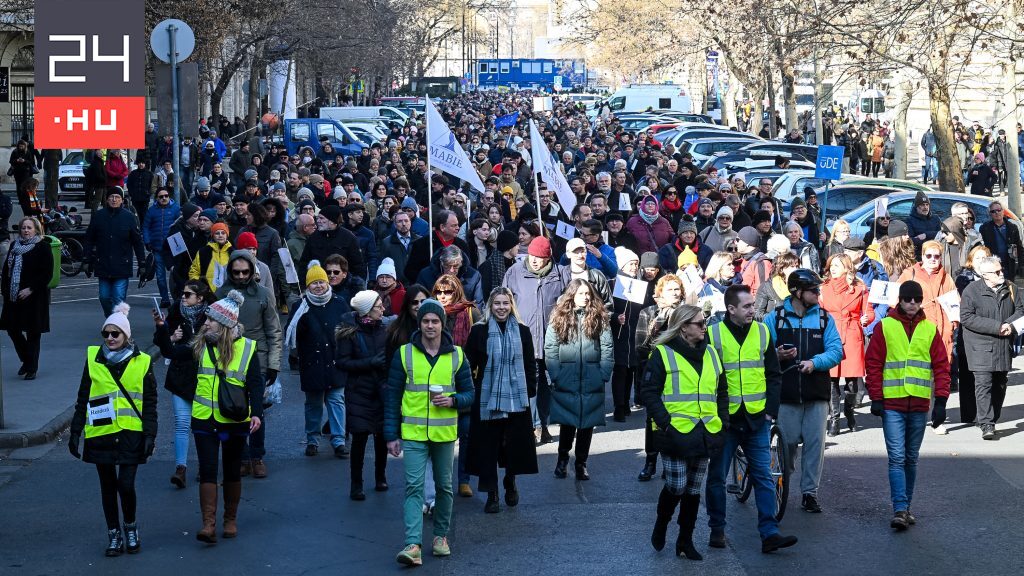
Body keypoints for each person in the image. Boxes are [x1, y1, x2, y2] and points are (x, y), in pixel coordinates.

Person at [705, 285, 798, 553]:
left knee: (764, 476)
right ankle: (717, 529)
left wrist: (771, 411)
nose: (752, 310)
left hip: (757, 418)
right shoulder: (713, 335)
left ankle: (769, 533)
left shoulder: (762, 331)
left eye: (752, 305)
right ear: (731, 309)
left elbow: (773, 374)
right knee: (717, 477)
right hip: (726, 421)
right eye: (746, 306)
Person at [384, 299, 474, 567]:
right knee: (413, 487)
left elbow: (470, 394)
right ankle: (413, 544)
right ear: (419, 323)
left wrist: (453, 400)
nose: (430, 325)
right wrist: (391, 434)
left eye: (435, 321)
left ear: (442, 324)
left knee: (445, 487)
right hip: (412, 432)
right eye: (425, 321)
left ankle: (440, 537)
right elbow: (392, 396)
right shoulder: (404, 354)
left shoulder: (457, 355)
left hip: (444, 434)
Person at [68, 303, 158, 556]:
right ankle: (114, 534)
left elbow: (150, 402)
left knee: (126, 485)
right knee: (107, 486)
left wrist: (150, 434)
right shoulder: (93, 359)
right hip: (101, 433)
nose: (109, 338)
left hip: (131, 434)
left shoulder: (143, 362)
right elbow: (83, 396)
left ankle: (130, 526)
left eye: (115, 333)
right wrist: (76, 433)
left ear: (126, 336)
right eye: (106, 334)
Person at [639, 304, 727, 561]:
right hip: (675, 432)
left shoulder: (711, 353)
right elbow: (649, 393)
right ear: (683, 327)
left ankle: (685, 540)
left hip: (706, 432)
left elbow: (722, 391)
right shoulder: (663, 354)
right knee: (677, 485)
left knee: (693, 490)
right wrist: (666, 423)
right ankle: (662, 523)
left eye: (705, 322)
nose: (704, 327)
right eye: (699, 323)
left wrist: (722, 422)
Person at [864, 280, 951, 530]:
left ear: (921, 301)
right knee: (897, 458)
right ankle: (900, 509)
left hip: (920, 405)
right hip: (892, 405)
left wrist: (941, 402)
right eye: (907, 299)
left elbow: (942, 367)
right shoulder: (885, 327)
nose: (912, 303)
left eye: (916, 299)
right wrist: (876, 398)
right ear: (899, 300)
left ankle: (906, 508)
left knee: (911, 459)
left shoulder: (929, 329)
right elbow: (874, 364)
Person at [179, 290, 263, 543]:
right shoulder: (200, 344)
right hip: (204, 419)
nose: (205, 323)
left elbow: (255, 384)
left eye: (210, 320)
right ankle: (208, 524)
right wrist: (162, 331)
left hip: (235, 419)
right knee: (207, 470)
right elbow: (173, 354)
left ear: (224, 324)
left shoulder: (247, 348)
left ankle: (230, 520)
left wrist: (257, 413)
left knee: (231, 470)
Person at [764, 269, 843, 514]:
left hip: (816, 393)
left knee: (815, 445)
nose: (818, 294)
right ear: (797, 292)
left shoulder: (824, 319)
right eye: (813, 290)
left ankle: (810, 493)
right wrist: (776, 355)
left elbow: (836, 350)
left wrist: (815, 363)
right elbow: (761, 352)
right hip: (786, 394)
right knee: (786, 445)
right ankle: (783, 481)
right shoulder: (774, 318)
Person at [464, 287, 539, 513]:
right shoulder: (479, 331)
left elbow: (529, 364)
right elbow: (469, 366)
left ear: (511, 306)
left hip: (517, 399)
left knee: (512, 446)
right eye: (497, 303)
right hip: (487, 398)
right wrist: (474, 392)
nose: (501, 308)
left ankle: (510, 481)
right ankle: (491, 493)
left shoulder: (523, 331)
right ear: (490, 306)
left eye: (505, 303)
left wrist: (530, 391)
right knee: (488, 448)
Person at [217, 251, 283, 478]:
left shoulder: (264, 294)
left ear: (253, 271)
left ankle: (257, 456)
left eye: (246, 271)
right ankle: (242, 456)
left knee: (257, 409)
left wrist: (274, 364)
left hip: (259, 358)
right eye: (236, 272)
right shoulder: (222, 293)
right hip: (230, 358)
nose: (241, 276)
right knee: (234, 408)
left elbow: (274, 330)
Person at [502, 237, 569, 444]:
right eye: (532, 256)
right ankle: (535, 425)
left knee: (548, 386)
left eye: (540, 258)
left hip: (553, 340)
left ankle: (544, 423)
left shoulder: (561, 274)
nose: (535, 261)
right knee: (531, 384)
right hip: (525, 339)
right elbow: (504, 303)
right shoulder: (514, 273)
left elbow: (568, 303)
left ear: (548, 257)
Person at [546, 279, 614, 481]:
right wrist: (556, 374)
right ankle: (563, 459)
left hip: (592, 378)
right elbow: (551, 349)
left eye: (588, 294)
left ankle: (581, 463)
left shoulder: (599, 318)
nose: (585, 297)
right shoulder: (559, 317)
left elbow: (607, 348)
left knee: (587, 424)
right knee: (568, 422)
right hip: (567, 377)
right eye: (581, 293)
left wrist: (603, 373)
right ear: (572, 295)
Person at [286, 261, 349, 458]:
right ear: (307, 286)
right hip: (312, 363)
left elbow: (348, 331)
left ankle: (338, 439)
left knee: (337, 400)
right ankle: (312, 439)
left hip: (335, 361)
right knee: (313, 403)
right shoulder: (300, 306)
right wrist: (301, 326)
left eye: (322, 282)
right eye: (314, 283)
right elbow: (292, 337)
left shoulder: (339, 303)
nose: (319, 286)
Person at [152, 280, 211, 489]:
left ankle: (206, 467)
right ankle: (181, 469)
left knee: (203, 427)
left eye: (188, 295)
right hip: (180, 374)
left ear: (200, 298)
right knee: (182, 424)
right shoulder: (177, 311)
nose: (183, 298)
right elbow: (161, 343)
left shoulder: (211, 315)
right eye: (183, 294)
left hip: (204, 377)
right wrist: (169, 335)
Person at [960, 256, 1024, 440]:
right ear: (984, 275)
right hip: (980, 346)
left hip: (1003, 344)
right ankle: (987, 423)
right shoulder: (971, 291)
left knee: (1000, 383)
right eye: (996, 272)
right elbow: (967, 317)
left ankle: (993, 417)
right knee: (983, 383)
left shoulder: (1010, 287)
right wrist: (996, 327)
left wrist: (1008, 326)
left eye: (1001, 269)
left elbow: (1020, 310)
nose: (1001, 273)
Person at [336, 289, 391, 500]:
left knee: (381, 436)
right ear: (367, 310)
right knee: (359, 438)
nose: (383, 309)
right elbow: (342, 362)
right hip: (359, 391)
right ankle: (356, 484)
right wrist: (370, 363)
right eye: (379, 307)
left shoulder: (385, 329)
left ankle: (380, 476)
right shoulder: (349, 332)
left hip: (381, 390)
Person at [819, 254, 873, 435]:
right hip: (831, 335)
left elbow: (869, 311)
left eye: (836, 265)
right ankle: (834, 419)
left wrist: (866, 319)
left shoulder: (860, 288)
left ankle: (849, 410)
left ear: (846, 268)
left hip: (851, 333)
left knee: (852, 383)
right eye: (831, 265)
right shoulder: (823, 288)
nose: (832, 268)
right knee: (832, 380)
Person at [0, 216, 53, 379]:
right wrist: (5, 290)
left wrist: (30, 289)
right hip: (14, 296)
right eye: (23, 228)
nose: (26, 231)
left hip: (34, 296)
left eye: (29, 228)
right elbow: (7, 270)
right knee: (12, 329)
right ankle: (27, 359)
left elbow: (47, 273)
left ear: (36, 230)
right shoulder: (14, 246)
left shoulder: (43, 247)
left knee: (33, 332)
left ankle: (32, 368)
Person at [83, 187, 147, 317]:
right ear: (106, 199)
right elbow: (89, 239)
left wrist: (142, 263)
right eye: (111, 197)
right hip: (103, 264)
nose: (114, 199)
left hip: (122, 265)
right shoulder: (99, 216)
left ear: (122, 200)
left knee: (118, 298)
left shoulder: (129, 217)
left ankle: (119, 326)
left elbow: (137, 242)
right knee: (104, 297)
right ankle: (111, 319)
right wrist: (86, 259)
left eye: (117, 197)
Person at [897, 241, 958, 368]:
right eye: (929, 255)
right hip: (917, 328)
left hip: (942, 331)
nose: (932, 259)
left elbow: (955, 305)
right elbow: (895, 301)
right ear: (923, 256)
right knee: (918, 370)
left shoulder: (947, 278)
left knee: (940, 372)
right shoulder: (909, 274)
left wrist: (951, 326)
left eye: (936, 256)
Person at [610, 248, 644, 421]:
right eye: (631, 263)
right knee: (620, 369)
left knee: (631, 369)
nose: (634, 267)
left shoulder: (638, 284)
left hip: (634, 332)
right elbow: (607, 308)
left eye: (636, 264)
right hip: (619, 333)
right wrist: (616, 317)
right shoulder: (613, 283)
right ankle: (619, 406)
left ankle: (626, 402)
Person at [143, 188, 181, 308]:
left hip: (174, 247)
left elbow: (181, 225)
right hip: (158, 247)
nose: (164, 198)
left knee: (176, 274)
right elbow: (146, 227)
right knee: (160, 276)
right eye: (161, 196)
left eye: (166, 196)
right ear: (157, 198)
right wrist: (147, 241)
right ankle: (165, 299)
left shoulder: (175, 209)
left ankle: (179, 298)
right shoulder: (152, 210)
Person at [979, 200, 1023, 281]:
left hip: (1009, 264)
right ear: (990, 214)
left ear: (1003, 211)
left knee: (1010, 286)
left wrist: (1021, 265)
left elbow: (1019, 246)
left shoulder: (1012, 227)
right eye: (993, 211)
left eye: (999, 210)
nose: (996, 213)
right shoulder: (985, 228)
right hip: (993, 264)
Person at [754, 252, 800, 321]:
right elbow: (757, 314)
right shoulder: (767, 287)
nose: (795, 269)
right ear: (781, 269)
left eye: (797, 266)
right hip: (773, 328)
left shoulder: (801, 286)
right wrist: (777, 318)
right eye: (792, 267)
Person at [906, 192, 942, 257]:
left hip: (935, 254)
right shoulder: (910, 220)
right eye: (922, 205)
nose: (925, 207)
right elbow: (910, 240)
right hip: (918, 255)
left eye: (927, 204)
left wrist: (926, 235)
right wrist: (931, 241)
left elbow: (941, 234)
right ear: (917, 207)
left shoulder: (935, 218)